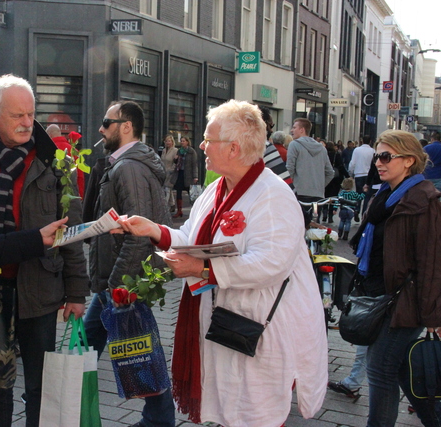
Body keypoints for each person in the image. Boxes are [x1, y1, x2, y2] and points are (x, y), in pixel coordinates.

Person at [117, 100, 328, 426]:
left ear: (233, 147)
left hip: (255, 328)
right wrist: (154, 230)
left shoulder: (273, 195)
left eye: (207, 139)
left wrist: (201, 270)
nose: (201, 146)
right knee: (230, 408)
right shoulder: (218, 188)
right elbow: (192, 236)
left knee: (254, 411)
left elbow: (271, 263)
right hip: (220, 322)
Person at [0, 74, 90, 427]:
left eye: (31, 115)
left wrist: (77, 292)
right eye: (17, 115)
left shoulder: (55, 162)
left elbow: (72, 233)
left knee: (41, 384)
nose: (26, 123)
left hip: (41, 289)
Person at [84, 100, 175, 427]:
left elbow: (139, 232)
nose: (100, 129)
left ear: (125, 126)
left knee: (138, 349)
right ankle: (158, 418)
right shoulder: (123, 164)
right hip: (117, 280)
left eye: (106, 122)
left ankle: (160, 419)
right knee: (105, 346)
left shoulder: (129, 168)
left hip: (121, 282)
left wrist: (117, 284)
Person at [349, 130, 441, 426]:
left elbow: (431, 262)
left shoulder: (424, 200)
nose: (379, 162)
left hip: (405, 301)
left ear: (409, 160)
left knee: (379, 371)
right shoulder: (385, 194)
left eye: (386, 156)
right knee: (399, 368)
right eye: (378, 155)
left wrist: (433, 316)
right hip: (380, 294)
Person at [286, 118, 334, 223]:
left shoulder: (294, 145)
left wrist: (294, 186)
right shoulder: (321, 148)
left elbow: (289, 169)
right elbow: (330, 173)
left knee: (298, 227)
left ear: (302, 130)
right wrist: (319, 185)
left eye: (294, 127)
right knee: (315, 229)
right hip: (318, 195)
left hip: (300, 194)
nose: (291, 130)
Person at [46, 123, 85, 198]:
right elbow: (80, 177)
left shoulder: (46, 150)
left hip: (50, 196)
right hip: (70, 196)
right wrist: (80, 197)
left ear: (49, 135)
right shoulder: (74, 151)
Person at [172, 136, 198, 218]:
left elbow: (194, 164)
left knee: (190, 193)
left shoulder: (191, 151)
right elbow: (176, 163)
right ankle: (179, 211)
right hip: (180, 173)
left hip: (188, 175)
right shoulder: (179, 151)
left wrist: (195, 176)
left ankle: (194, 211)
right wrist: (175, 159)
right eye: (181, 141)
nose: (182, 142)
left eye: (183, 141)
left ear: (187, 142)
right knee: (178, 191)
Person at [323, 141, 348, 223]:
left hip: (325, 177)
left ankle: (324, 214)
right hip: (335, 179)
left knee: (325, 196)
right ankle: (330, 216)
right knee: (333, 197)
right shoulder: (336, 155)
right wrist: (347, 176)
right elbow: (341, 166)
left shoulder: (323, 154)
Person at [348, 135, 374, 212]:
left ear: (362, 141)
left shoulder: (357, 150)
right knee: (367, 195)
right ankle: (364, 212)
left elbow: (352, 163)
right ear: (370, 141)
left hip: (358, 174)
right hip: (368, 175)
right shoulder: (373, 151)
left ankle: (357, 209)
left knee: (358, 193)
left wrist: (351, 173)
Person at [161, 134, 177, 213]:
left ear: (172, 142)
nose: (168, 142)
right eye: (166, 141)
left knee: (167, 188)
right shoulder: (164, 150)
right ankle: (172, 204)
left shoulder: (175, 150)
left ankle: (165, 206)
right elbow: (162, 160)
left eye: (169, 141)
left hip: (171, 172)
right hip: (164, 171)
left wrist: (172, 169)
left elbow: (176, 162)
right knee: (168, 188)